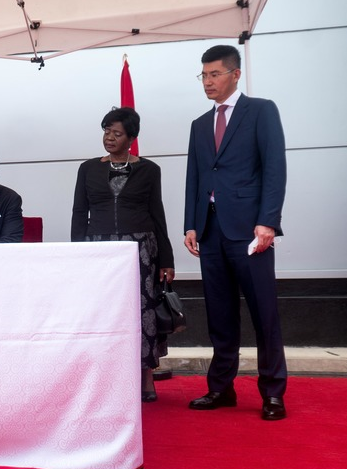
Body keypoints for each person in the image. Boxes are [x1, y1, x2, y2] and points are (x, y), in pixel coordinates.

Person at [184, 45, 288, 420]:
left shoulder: (261, 111)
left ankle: (273, 393)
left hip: (250, 232)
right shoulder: (199, 125)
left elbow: (274, 168)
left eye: (215, 74)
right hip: (210, 232)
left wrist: (268, 222)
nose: (208, 82)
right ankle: (221, 388)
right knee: (220, 315)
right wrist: (191, 224)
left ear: (235, 74)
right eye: (204, 75)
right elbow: (195, 176)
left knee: (264, 314)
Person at [71, 107, 175, 403]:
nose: (109, 138)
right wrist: (76, 252)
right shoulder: (88, 168)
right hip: (98, 249)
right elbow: (79, 212)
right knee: (102, 313)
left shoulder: (149, 170)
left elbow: (158, 214)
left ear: (131, 138)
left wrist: (166, 259)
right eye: (106, 131)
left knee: (143, 311)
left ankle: (146, 376)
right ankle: (105, 376)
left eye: (117, 133)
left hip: (140, 248)